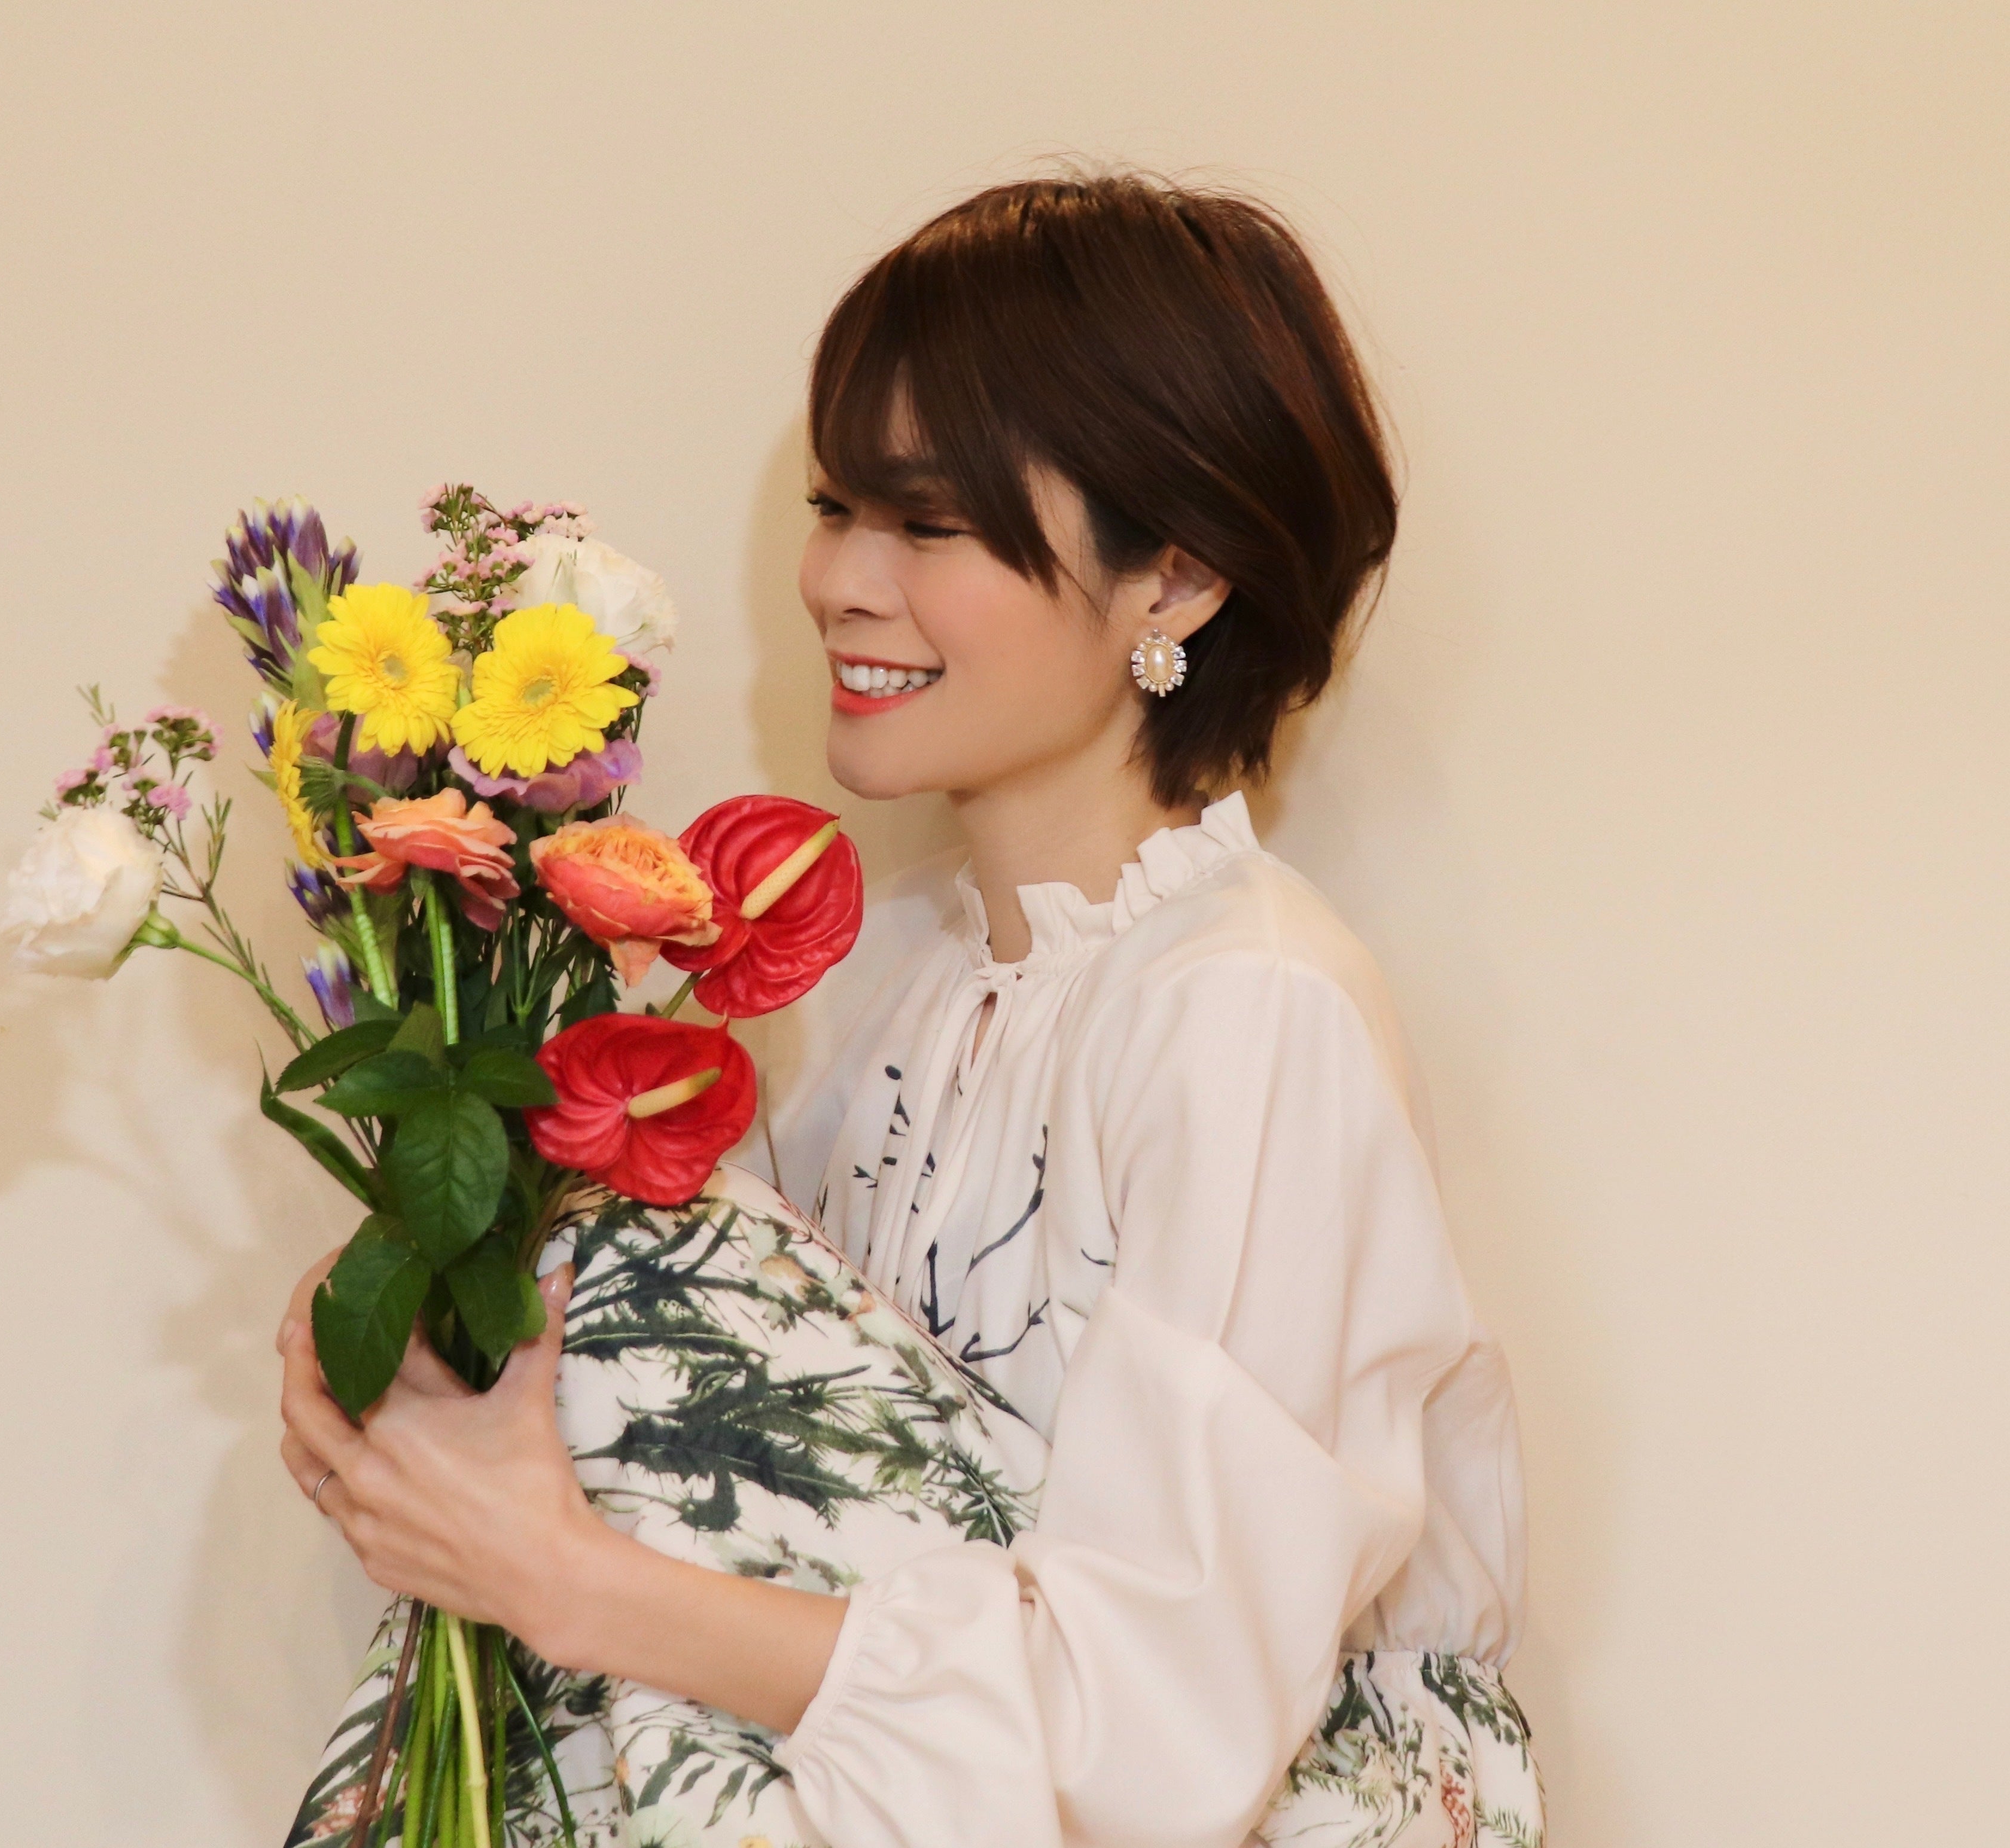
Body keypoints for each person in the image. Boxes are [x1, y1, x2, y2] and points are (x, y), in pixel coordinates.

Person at [277, 173, 1543, 1848]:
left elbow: (1157, 1730)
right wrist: (420, 1332)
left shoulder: (1249, 1011)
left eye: (929, 525)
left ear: (1175, 580)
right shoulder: (888, 978)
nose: (839, 583)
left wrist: (560, 1577)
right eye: (835, 506)